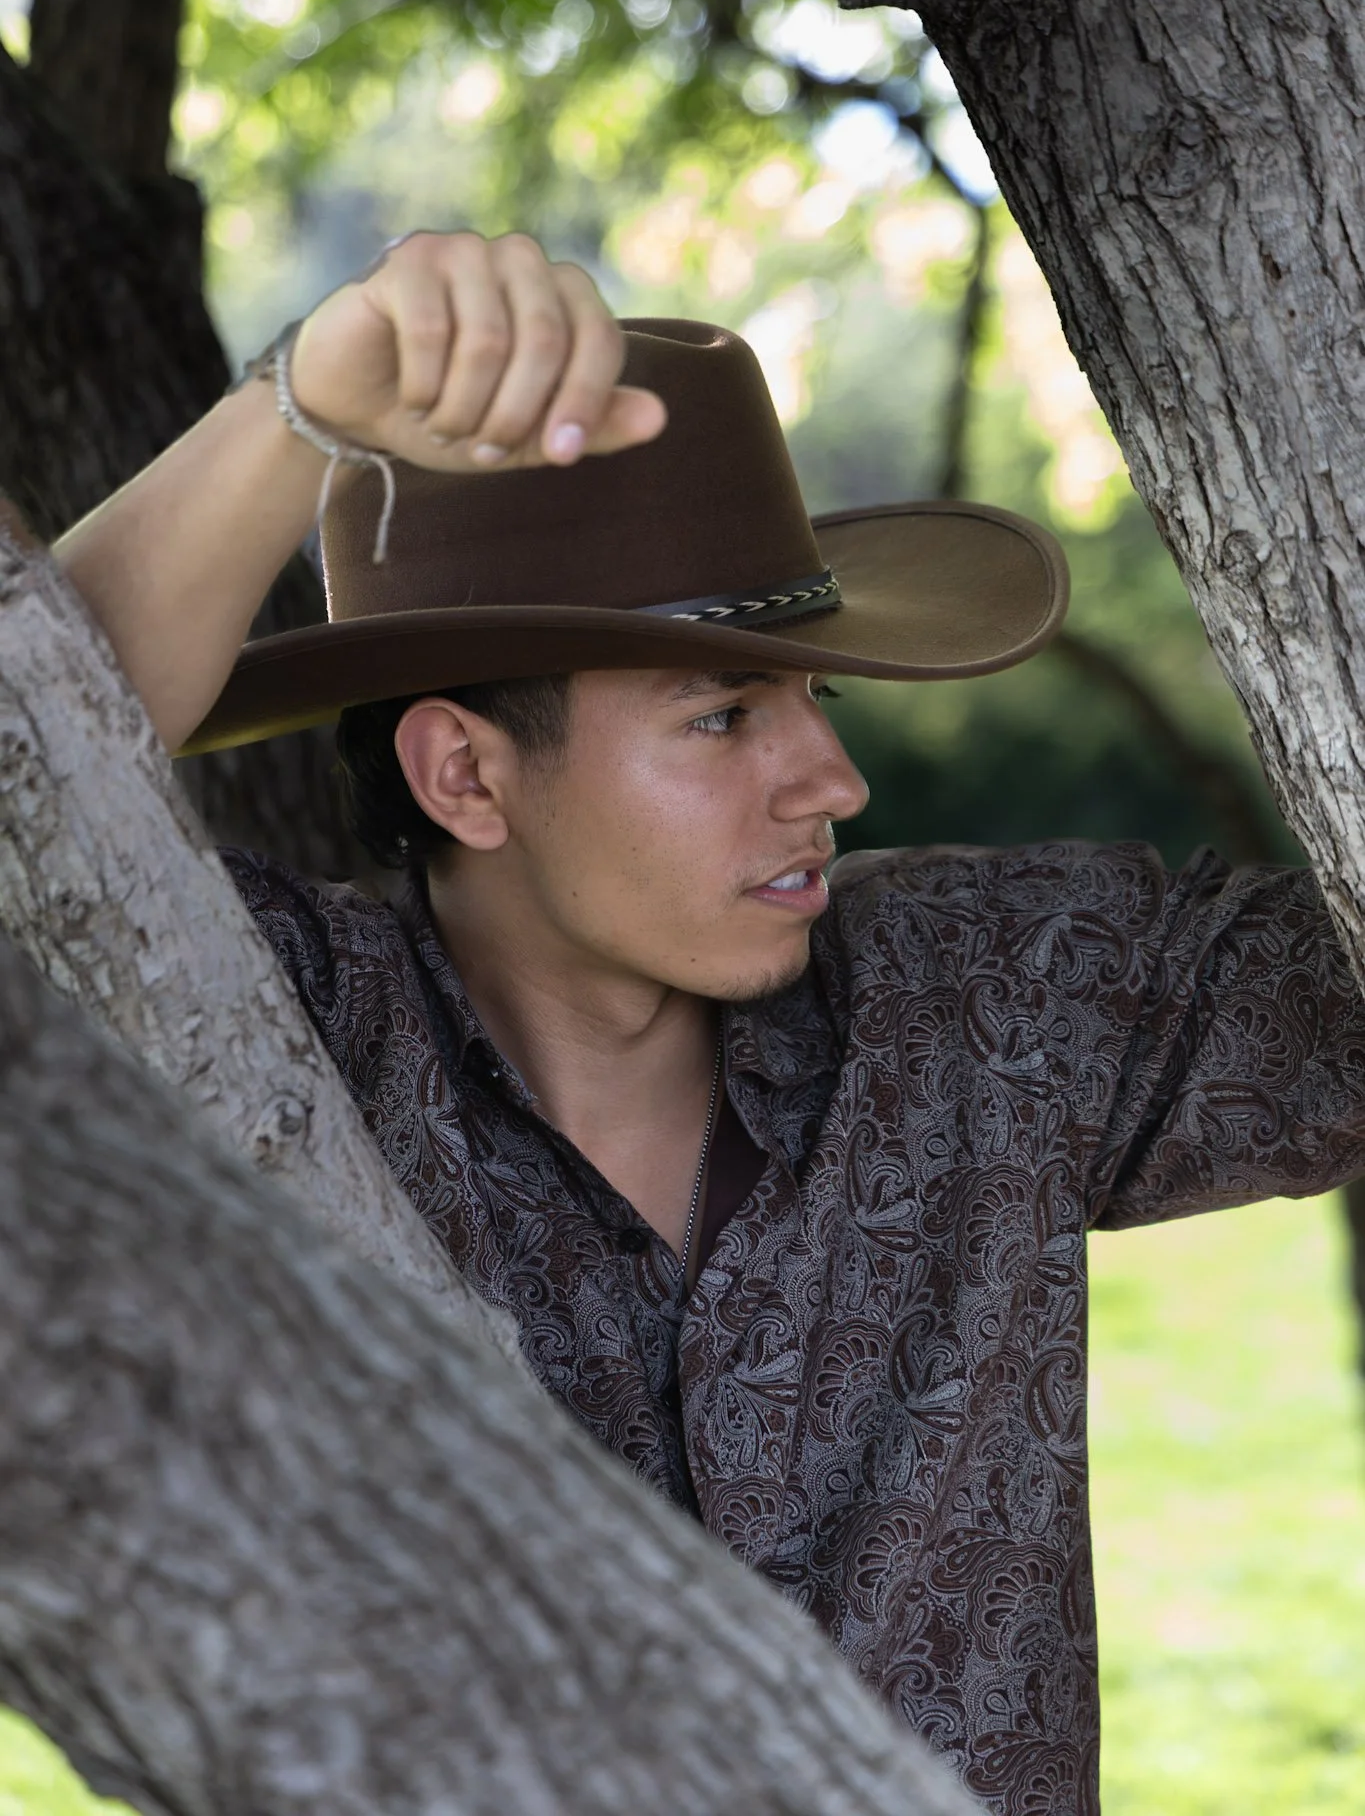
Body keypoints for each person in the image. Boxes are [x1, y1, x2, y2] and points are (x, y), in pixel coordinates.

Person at [55, 229, 1365, 1816]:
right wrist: (301, 405)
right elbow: (19, 780)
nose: (833, 782)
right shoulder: (255, 1049)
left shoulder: (998, 996)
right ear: (464, 775)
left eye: (816, 696)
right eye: (725, 716)